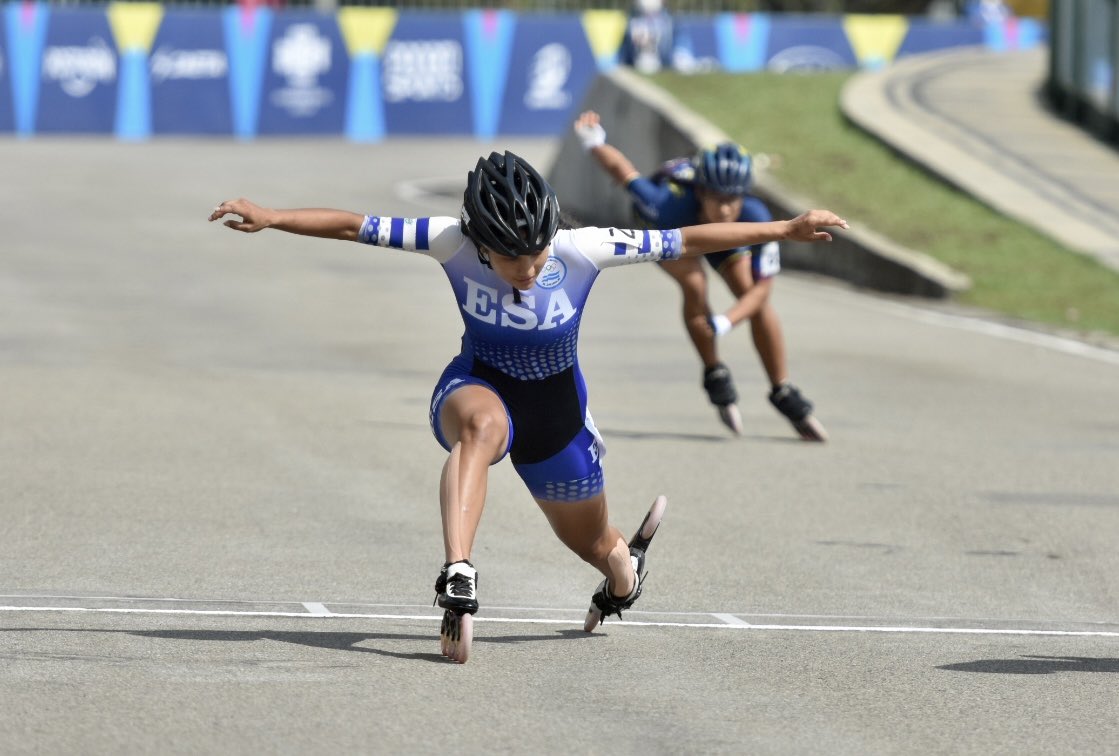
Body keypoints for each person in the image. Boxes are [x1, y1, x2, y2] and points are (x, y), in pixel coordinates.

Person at [209, 151, 846, 662]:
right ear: (479, 242)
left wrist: (785, 228)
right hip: (478, 381)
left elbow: (685, 239)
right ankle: (458, 570)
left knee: (599, 546)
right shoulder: (449, 241)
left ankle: (625, 571)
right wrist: (272, 215)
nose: (527, 266)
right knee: (482, 429)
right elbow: (354, 225)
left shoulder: (581, 249)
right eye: (511, 255)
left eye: (536, 250)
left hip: (557, 410)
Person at [574, 110, 829, 442]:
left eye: (732, 201)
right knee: (694, 282)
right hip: (670, 229)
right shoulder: (663, 202)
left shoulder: (754, 214)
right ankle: (714, 370)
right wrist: (594, 140)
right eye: (717, 200)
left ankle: (782, 388)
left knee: (750, 294)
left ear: (744, 196)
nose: (724, 210)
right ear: (700, 191)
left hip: (717, 234)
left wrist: (725, 322)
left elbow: (762, 292)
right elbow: (621, 170)